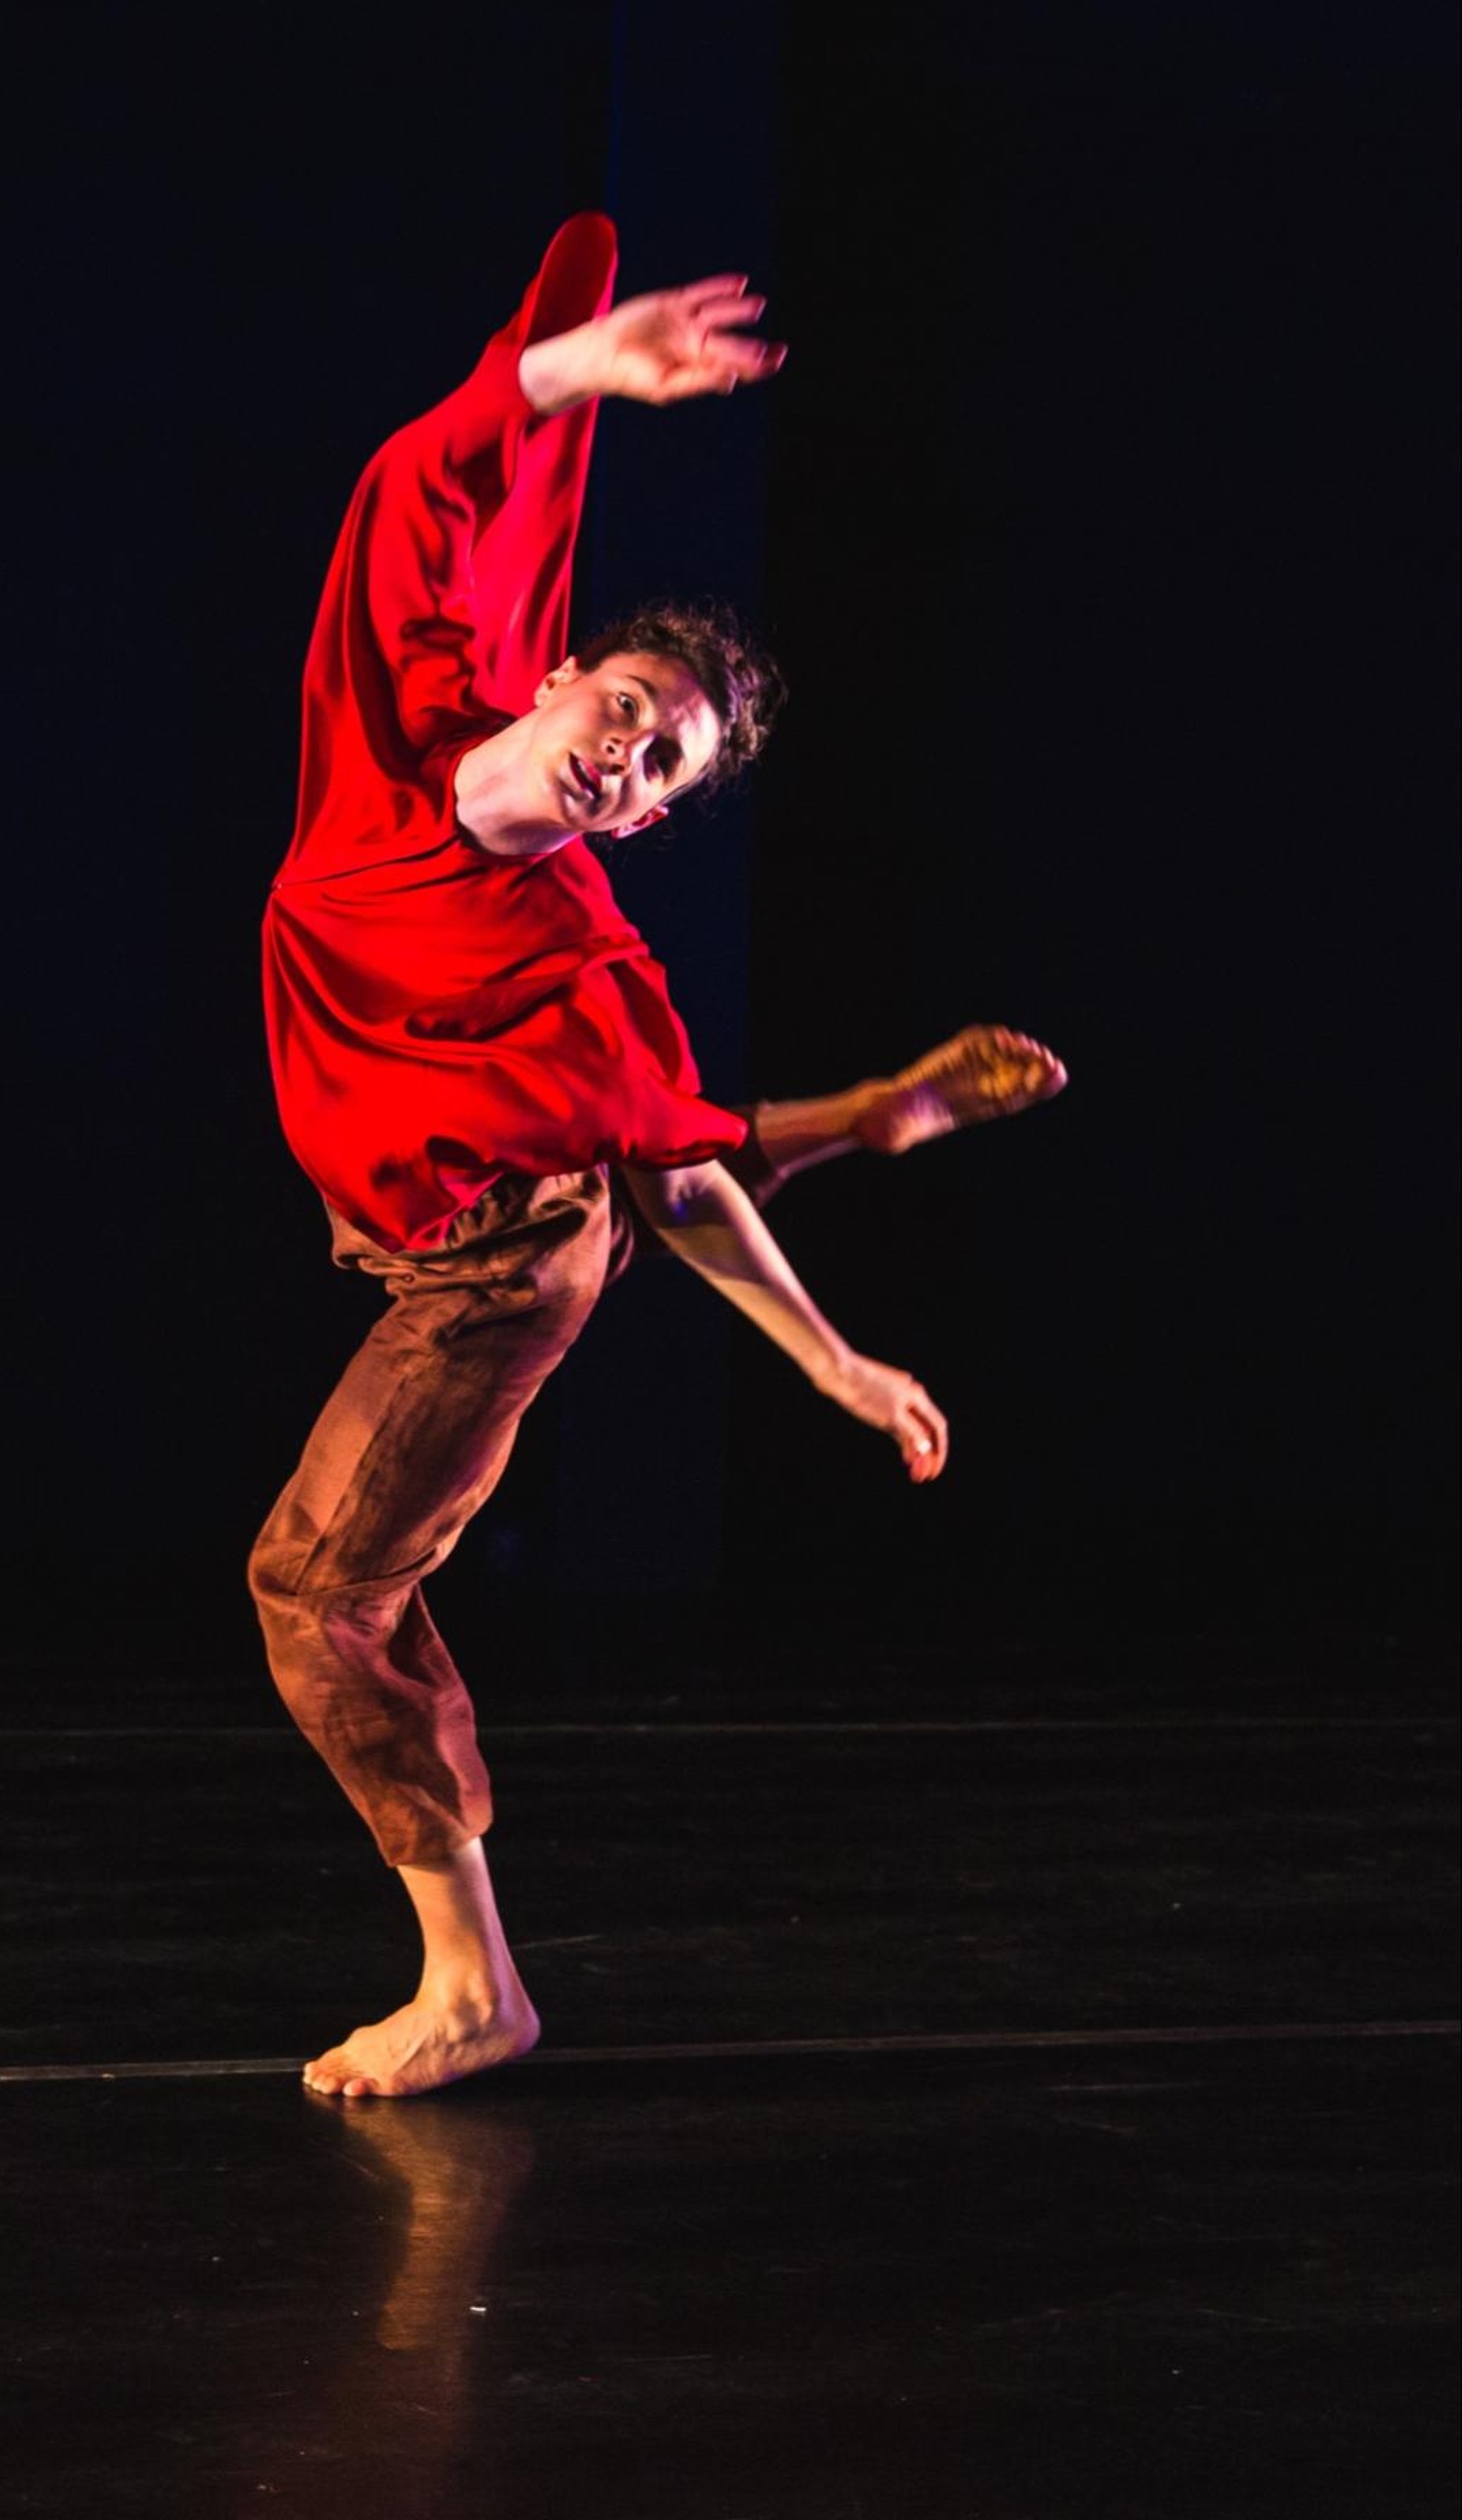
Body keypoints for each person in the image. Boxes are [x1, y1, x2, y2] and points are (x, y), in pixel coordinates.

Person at [251, 214, 1065, 2100]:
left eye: (670, 767)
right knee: (348, 1581)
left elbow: (674, 1177)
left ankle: (475, 1988)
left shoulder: (582, 957)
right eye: (629, 712)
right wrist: (570, 370)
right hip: (436, 1233)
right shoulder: (408, 709)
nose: (635, 758)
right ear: (557, 684)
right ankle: (880, 1109)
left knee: (316, 1594)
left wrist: (833, 1360)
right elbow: (416, 484)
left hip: (487, 1277)